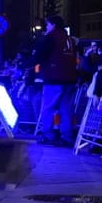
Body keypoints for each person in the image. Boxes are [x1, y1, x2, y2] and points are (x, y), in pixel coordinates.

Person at [30, 14, 76, 146]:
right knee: (65, 108)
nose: (47, 27)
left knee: (48, 107)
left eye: (48, 24)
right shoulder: (69, 39)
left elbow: (40, 55)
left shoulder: (51, 37)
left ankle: (48, 135)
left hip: (54, 77)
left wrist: (33, 63)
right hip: (70, 78)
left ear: (54, 25)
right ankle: (67, 136)